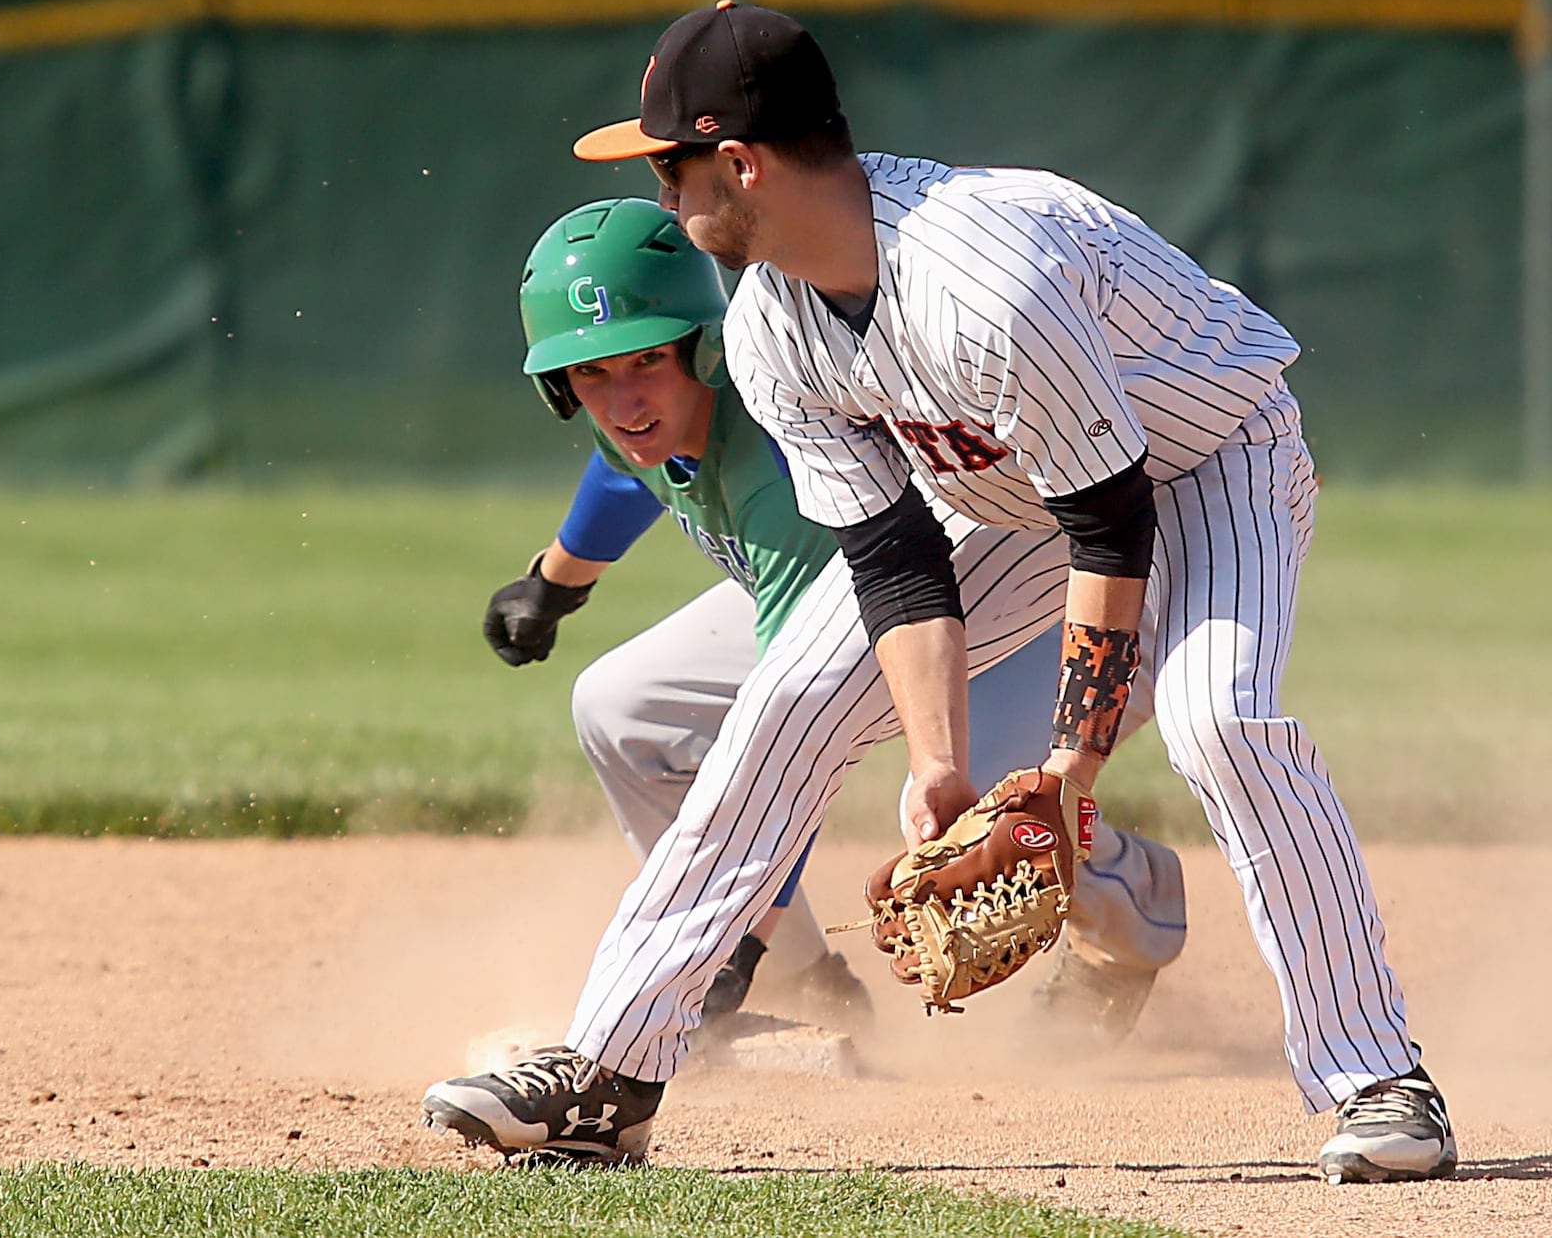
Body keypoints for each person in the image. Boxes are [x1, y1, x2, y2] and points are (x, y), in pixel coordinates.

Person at [562, 2, 1458, 1186]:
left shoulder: (986, 274)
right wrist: (940, 765)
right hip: (1009, 496)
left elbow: (1111, 515)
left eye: (671, 166)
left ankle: (1378, 1077)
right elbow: (892, 559)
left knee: (1217, 718)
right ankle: (606, 1073)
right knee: (790, 697)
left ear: (741, 162)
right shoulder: (775, 315)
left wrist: (1068, 772)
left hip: (1208, 459)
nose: (668, 199)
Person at [420, 196, 1186, 1160]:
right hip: (854, 599)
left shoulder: (775, 455)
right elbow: (631, 469)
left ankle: (1134, 902)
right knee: (624, 708)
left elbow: (794, 724)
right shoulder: (647, 415)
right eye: (593, 373)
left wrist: (727, 943)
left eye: (648, 360)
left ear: (701, 348)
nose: (625, 399)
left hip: (1018, 609)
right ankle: (804, 979)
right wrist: (556, 580)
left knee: (986, 809)